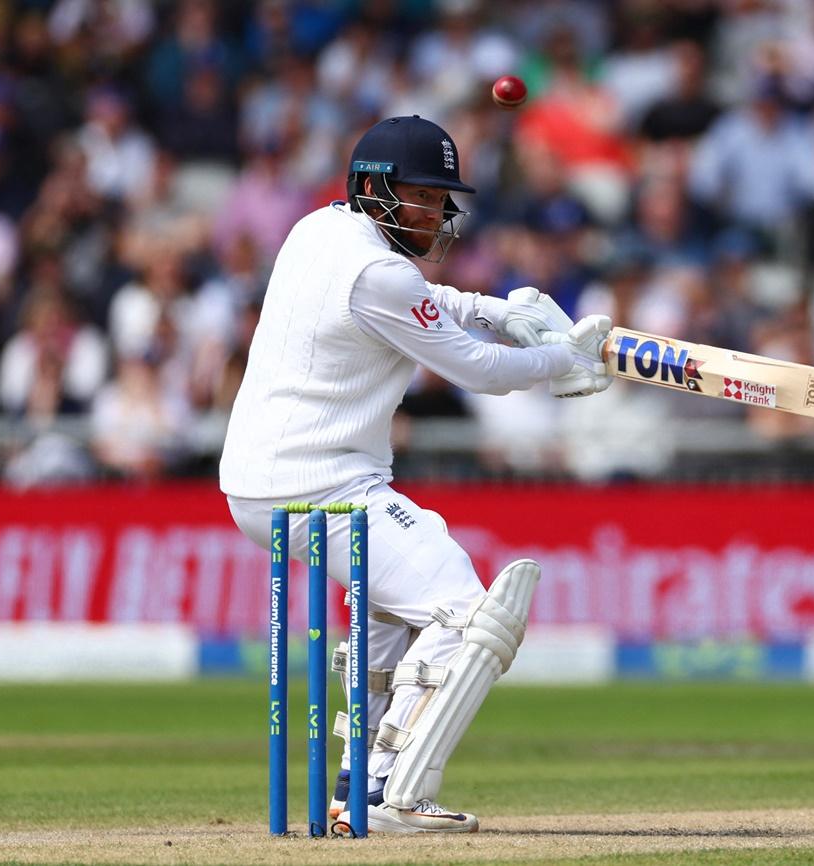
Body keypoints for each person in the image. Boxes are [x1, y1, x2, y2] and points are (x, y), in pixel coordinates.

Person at [220, 115, 610, 833]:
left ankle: (352, 789)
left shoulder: (318, 231)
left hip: (273, 476)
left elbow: (436, 304)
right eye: (422, 197)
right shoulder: (378, 272)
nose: (436, 213)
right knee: (466, 611)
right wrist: (565, 360)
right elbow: (481, 371)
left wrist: (503, 308)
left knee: (396, 611)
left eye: (441, 198)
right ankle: (391, 793)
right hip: (319, 480)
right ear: (374, 191)